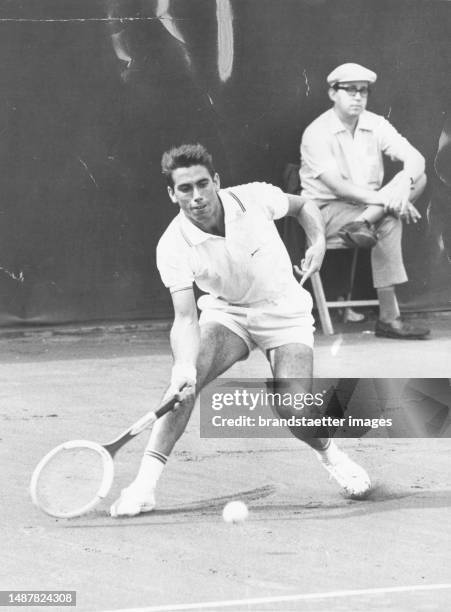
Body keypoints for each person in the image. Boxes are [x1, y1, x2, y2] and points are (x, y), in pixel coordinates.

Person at [110, 143, 371, 517]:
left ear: (216, 181)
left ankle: (331, 455)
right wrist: (184, 368)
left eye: (203, 184)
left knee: (294, 409)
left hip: (284, 312)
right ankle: (144, 486)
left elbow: (303, 206)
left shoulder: (254, 198)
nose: (197, 196)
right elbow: (185, 318)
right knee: (180, 389)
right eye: (185, 189)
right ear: (172, 194)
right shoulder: (172, 246)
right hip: (228, 314)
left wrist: (317, 243)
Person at [300, 63, 430, 339]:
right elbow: (339, 187)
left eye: (363, 91)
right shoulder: (316, 132)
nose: (358, 97)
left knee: (420, 179)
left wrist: (403, 188)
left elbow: (416, 158)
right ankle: (389, 319)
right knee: (391, 218)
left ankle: (362, 223)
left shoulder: (375, 123)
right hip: (325, 211)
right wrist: (391, 200)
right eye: (350, 90)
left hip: (362, 210)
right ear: (332, 93)